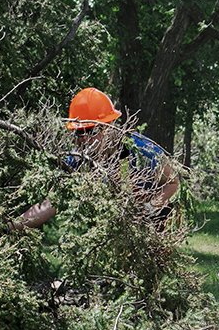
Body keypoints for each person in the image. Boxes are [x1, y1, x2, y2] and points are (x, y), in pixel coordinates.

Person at [10, 87, 181, 230]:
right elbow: (51, 203)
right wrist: (12, 225)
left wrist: (149, 207)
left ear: (108, 127)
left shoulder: (140, 149)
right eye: (79, 132)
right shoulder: (77, 160)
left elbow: (173, 182)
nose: (84, 138)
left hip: (153, 222)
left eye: (90, 131)